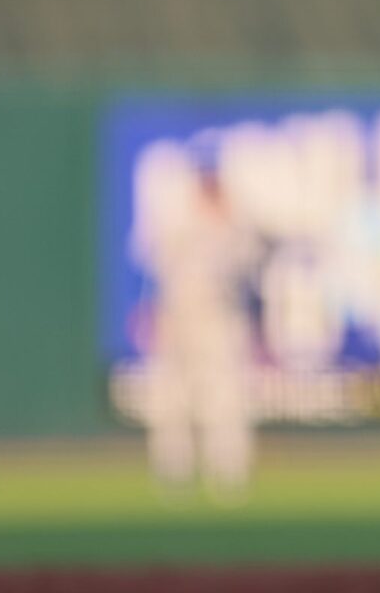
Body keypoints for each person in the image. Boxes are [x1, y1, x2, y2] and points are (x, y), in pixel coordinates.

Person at [134, 140, 260, 504]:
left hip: (222, 315)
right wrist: (148, 310)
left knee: (226, 396)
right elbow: (154, 266)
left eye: (211, 173)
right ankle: (174, 476)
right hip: (179, 312)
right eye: (202, 174)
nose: (207, 180)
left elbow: (248, 267)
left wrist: (226, 221)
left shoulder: (235, 218)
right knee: (172, 396)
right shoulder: (177, 214)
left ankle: (229, 475)